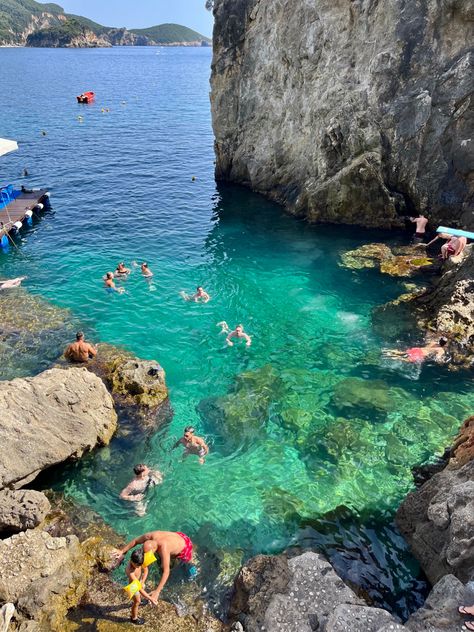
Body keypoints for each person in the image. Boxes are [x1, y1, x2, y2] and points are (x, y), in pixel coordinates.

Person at [111, 530, 195, 602]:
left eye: (147, 554)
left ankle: (194, 564)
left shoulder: (164, 549)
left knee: (167, 566)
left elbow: (166, 572)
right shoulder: (150, 536)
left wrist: (157, 591)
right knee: (162, 563)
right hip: (178, 536)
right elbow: (136, 541)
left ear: (155, 550)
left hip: (185, 547)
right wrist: (122, 551)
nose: (145, 556)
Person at [125, 548, 158, 626]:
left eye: (139, 565)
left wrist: (142, 581)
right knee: (137, 602)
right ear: (131, 560)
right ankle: (134, 618)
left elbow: (146, 570)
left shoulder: (140, 560)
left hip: (139, 582)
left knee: (140, 596)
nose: (138, 567)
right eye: (136, 565)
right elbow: (138, 588)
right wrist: (151, 598)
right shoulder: (129, 571)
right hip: (132, 586)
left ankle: (141, 600)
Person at [383, 337, 447, 364]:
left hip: (417, 349)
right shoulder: (441, 350)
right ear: (444, 344)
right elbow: (438, 358)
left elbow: (427, 342)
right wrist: (442, 361)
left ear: (439, 340)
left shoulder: (433, 342)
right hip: (420, 354)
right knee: (407, 360)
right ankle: (394, 357)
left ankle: (388, 350)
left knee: (402, 352)